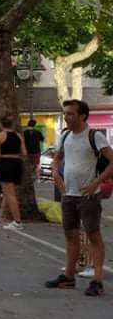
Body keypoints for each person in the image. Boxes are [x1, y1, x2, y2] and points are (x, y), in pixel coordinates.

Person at [47, 99, 113, 296]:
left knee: (93, 235)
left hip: (88, 195)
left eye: (70, 114)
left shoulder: (94, 136)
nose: (66, 117)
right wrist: (55, 173)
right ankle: (68, 276)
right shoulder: (65, 135)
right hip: (68, 194)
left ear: (82, 115)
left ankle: (97, 280)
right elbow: (58, 156)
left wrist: (96, 182)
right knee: (70, 234)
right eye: (65, 113)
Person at [0, 115, 26, 230]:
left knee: (10, 194)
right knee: (7, 193)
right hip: (17, 163)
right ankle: (1, 218)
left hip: (5, 163)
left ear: (1, 124)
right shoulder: (18, 136)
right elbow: (24, 153)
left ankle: (17, 221)